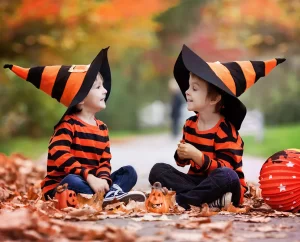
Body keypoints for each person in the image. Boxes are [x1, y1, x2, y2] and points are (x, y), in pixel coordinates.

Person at [149, 44, 285, 210]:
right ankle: (207, 200)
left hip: (224, 184)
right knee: (159, 170)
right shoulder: (190, 124)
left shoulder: (226, 131)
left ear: (214, 99)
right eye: (188, 87)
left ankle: (181, 200)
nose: (187, 92)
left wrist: (198, 156)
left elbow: (225, 169)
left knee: (227, 176)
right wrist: (181, 155)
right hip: (199, 183)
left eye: (194, 88)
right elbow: (181, 163)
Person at [4, 47, 145, 206]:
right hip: (63, 185)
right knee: (72, 180)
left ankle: (108, 195)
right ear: (81, 98)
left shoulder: (102, 128)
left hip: (92, 183)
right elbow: (60, 155)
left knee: (129, 172)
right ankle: (105, 197)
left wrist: (103, 180)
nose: (105, 91)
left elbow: (104, 162)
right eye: (98, 87)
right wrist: (90, 177)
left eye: (103, 86)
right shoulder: (68, 125)